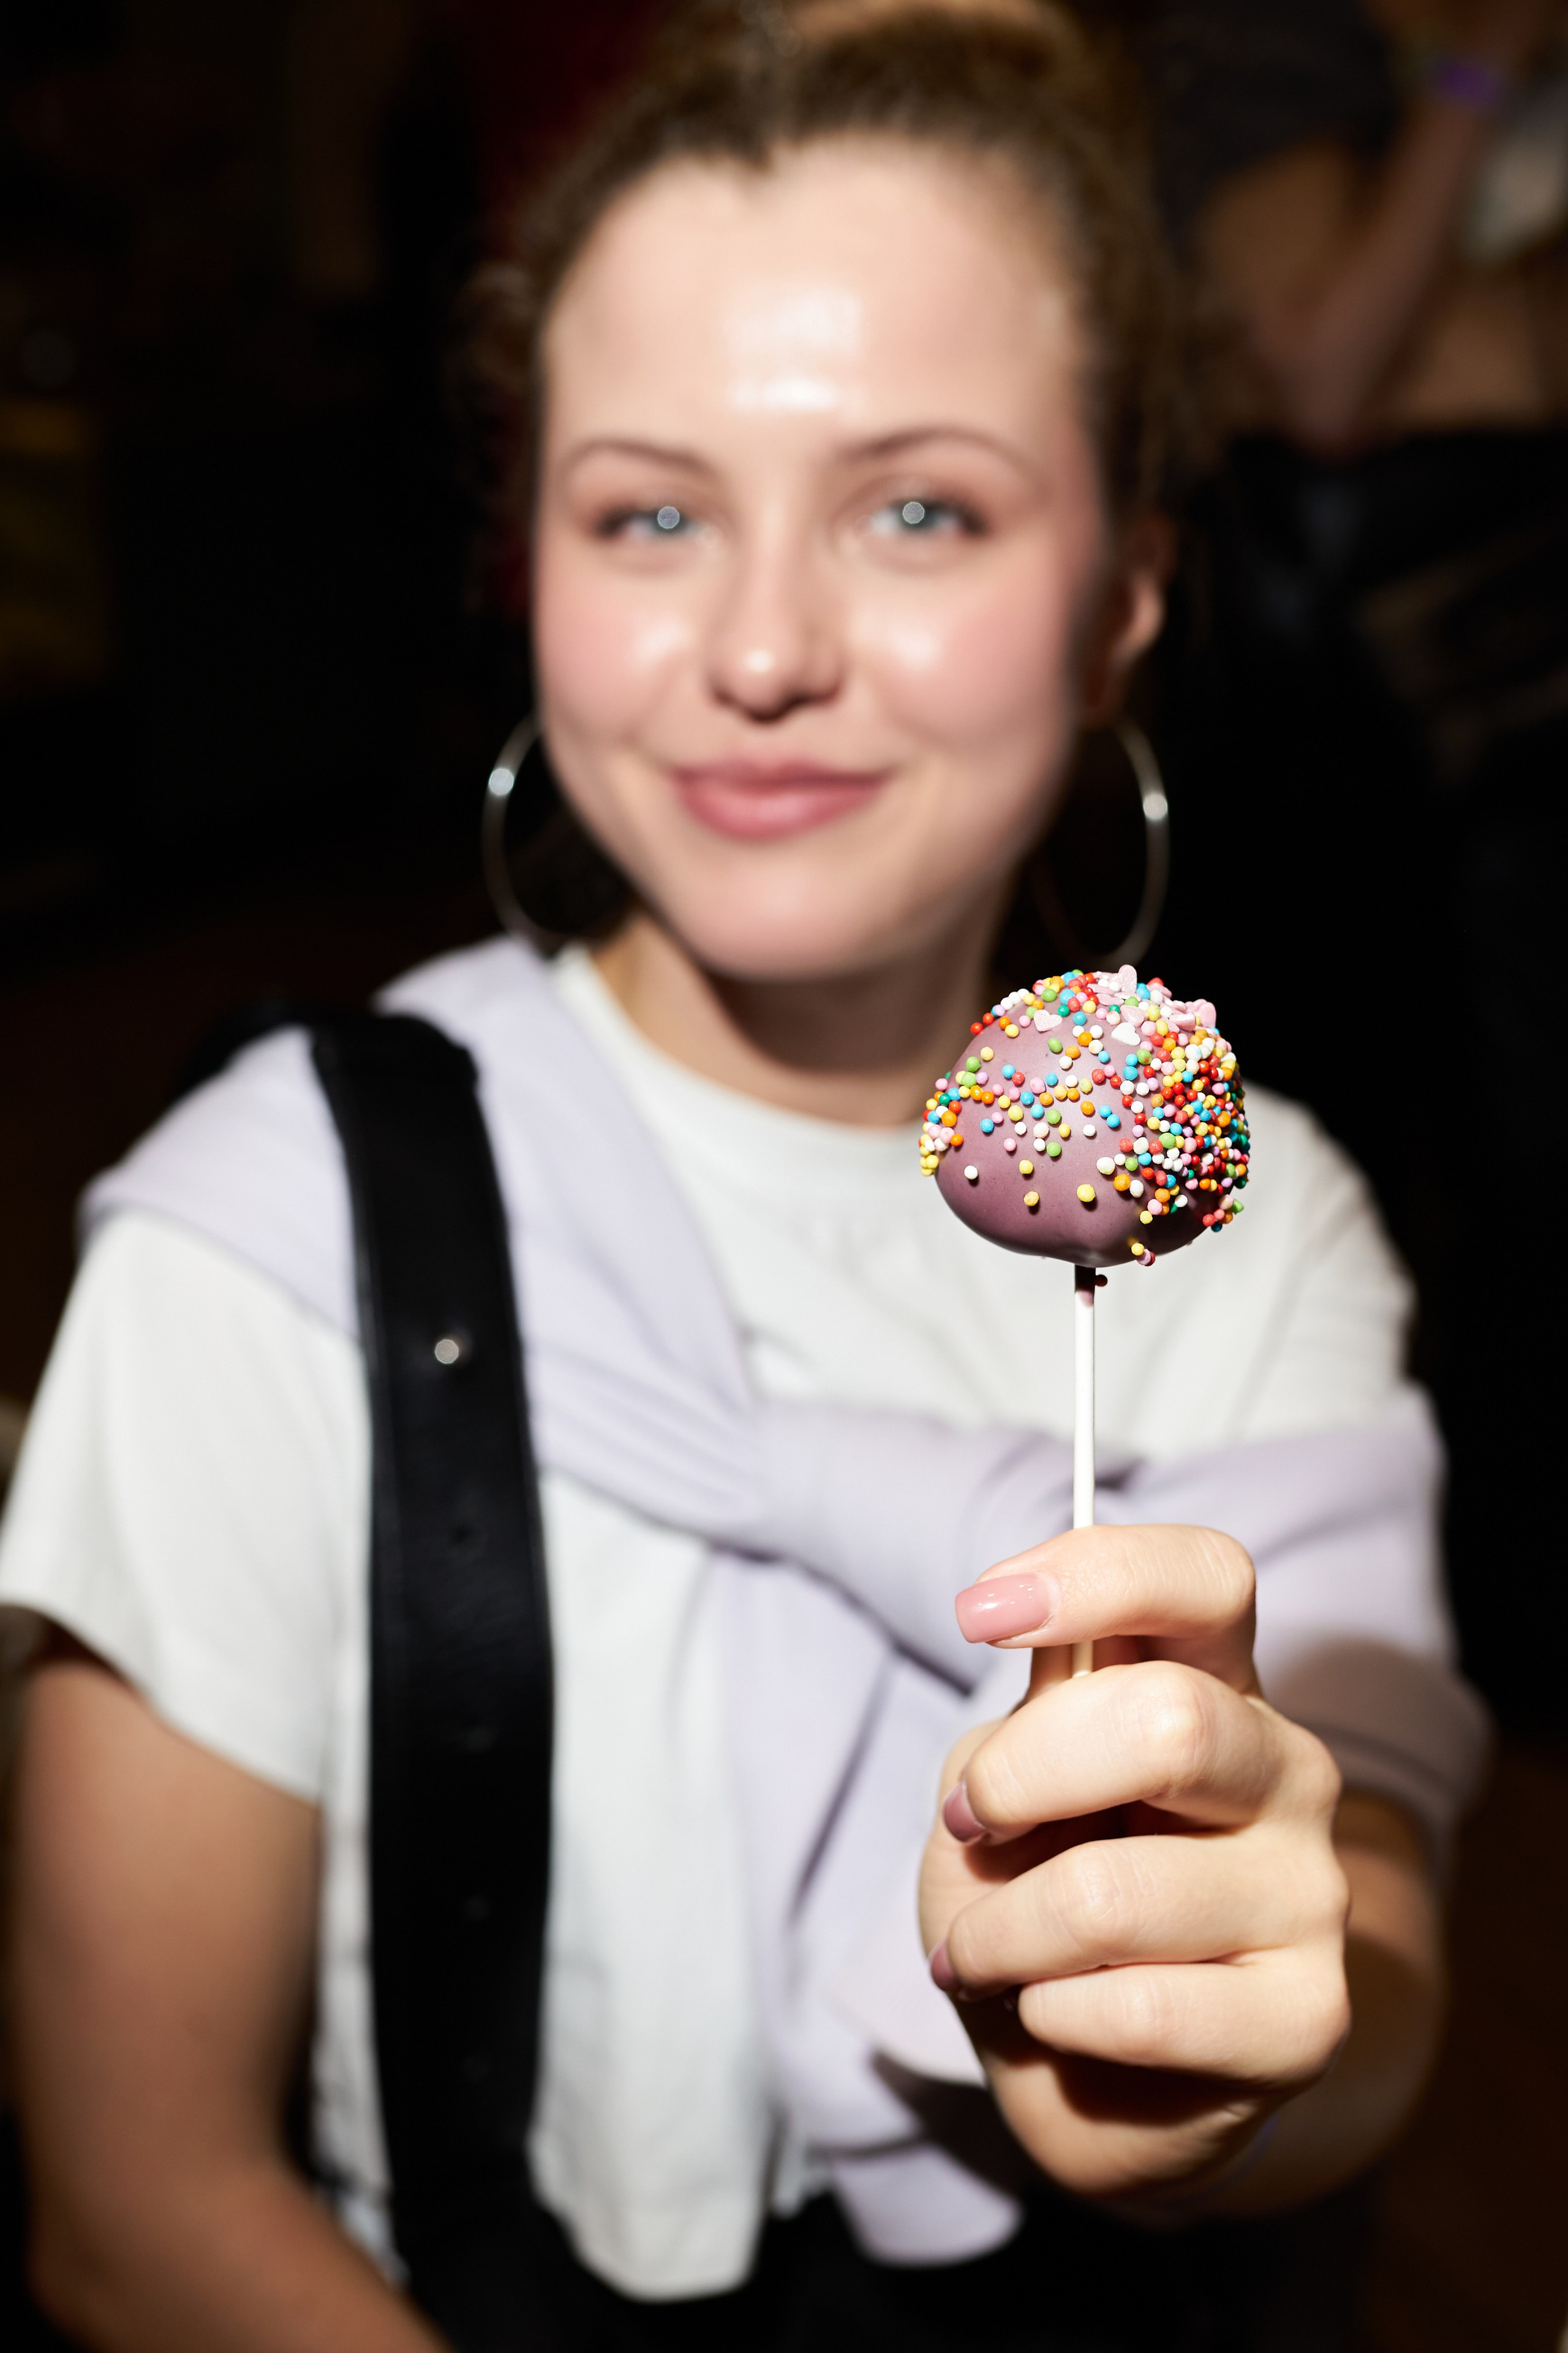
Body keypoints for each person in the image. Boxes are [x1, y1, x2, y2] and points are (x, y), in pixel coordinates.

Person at [0, 4, 1485, 2347]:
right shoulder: (271, 1226)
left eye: (921, 505)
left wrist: (1237, 2077)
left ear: (1126, 592)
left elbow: (1371, 1942)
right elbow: (141, 2201)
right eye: (652, 510)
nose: (766, 647)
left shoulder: (1260, 1216)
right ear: (531, 572)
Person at [1140, 0, 1567, 1727]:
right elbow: (1326, 372)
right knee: (1338, 1197)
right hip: (1351, 741)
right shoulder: (1267, 38)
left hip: (1497, 713)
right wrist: (1480, 83)